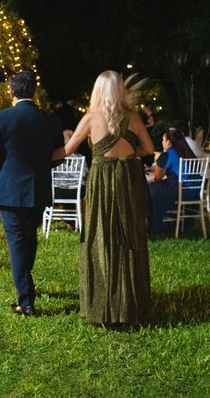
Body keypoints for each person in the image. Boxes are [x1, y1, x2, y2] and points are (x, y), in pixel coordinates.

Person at [52, 70, 154, 325]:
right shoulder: (133, 116)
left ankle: (103, 305)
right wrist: (129, 156)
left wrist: (39, 155)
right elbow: (150, 149)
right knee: (129, 235)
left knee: (102, 235)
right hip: (129, 177)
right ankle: (132, 306)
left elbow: (66, 150)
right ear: (119, 90)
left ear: (98, 91)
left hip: (103, 181)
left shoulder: (91, 118)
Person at [0, 70, 64, 316]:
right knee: (29, 238)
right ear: (34, 91)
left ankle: (26, 301)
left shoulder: (2, 118)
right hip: (38, 188)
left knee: (17, 241)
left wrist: (1, 168)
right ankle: (26, 282)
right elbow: (57, 155)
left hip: (10, 189)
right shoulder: (50, 120)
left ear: (11, 92)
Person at [147, 129, 196, 233]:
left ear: (169, 142)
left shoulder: (167, 155)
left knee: (150, 189)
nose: (162, 142)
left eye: (163, 140)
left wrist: (147, 178)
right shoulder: (186, 152)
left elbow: (158, 177)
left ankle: (152, 224)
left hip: (180, 190)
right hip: (195, 191)